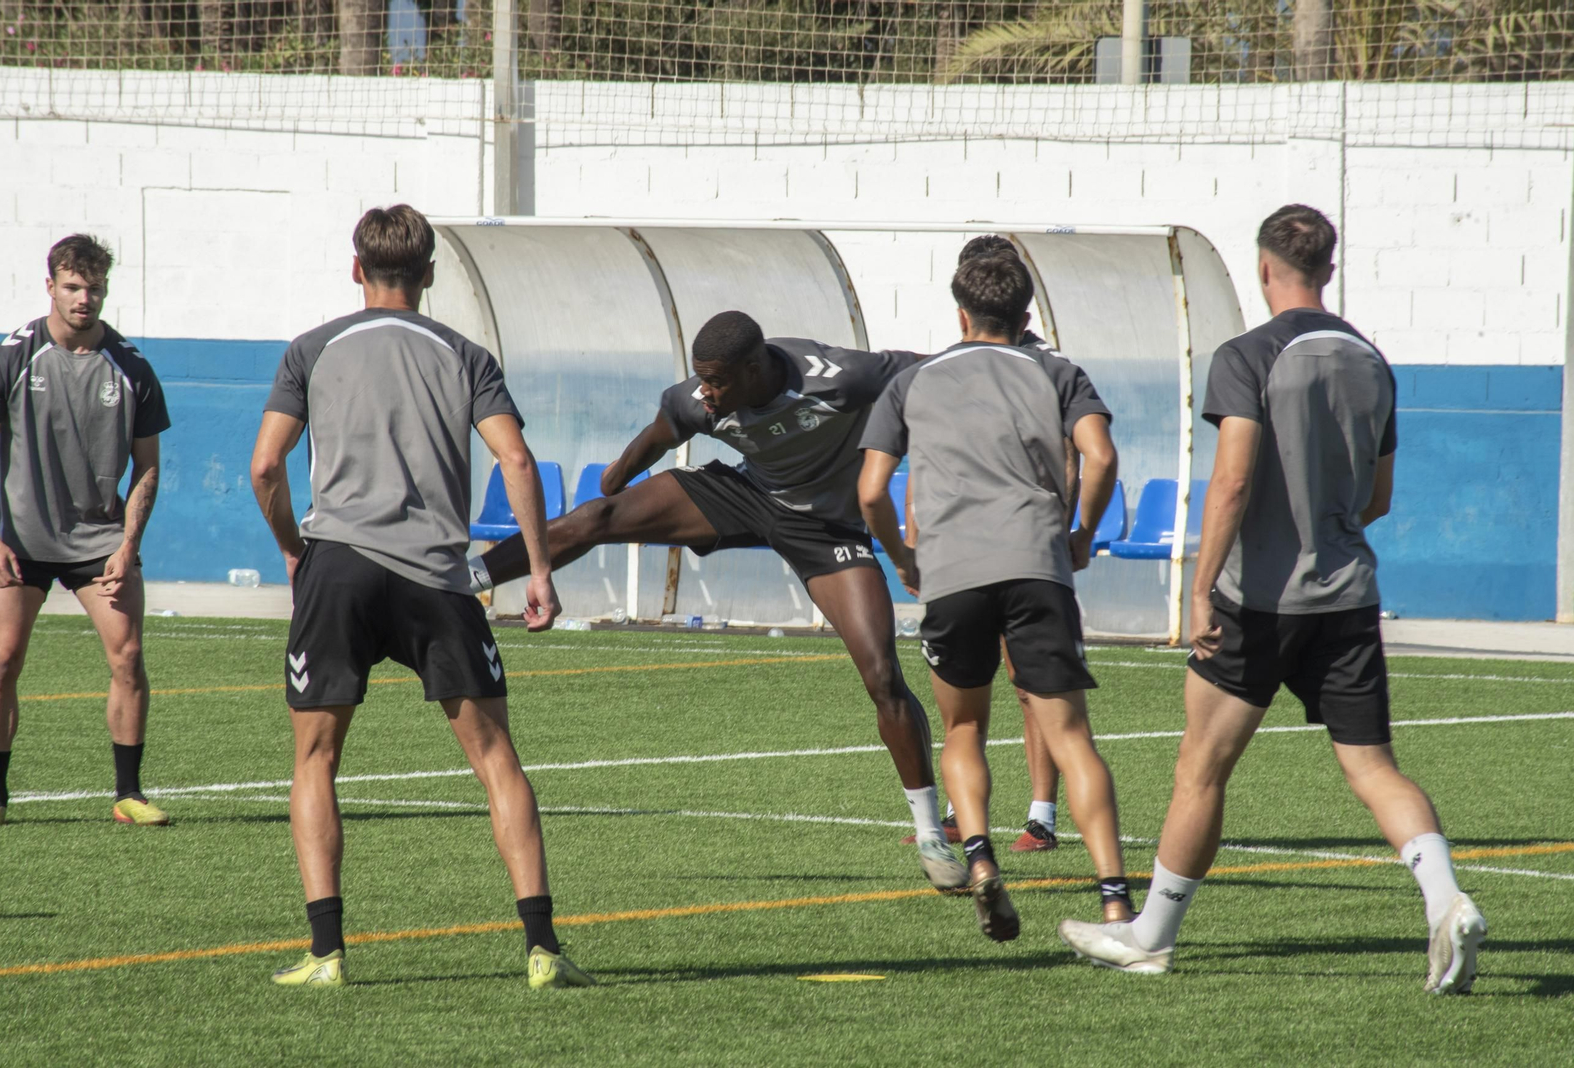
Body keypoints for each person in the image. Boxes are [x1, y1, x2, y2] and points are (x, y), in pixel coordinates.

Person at [1058, 204, 1486, 995]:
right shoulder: (1371, 358)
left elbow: (1231, 480)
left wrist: (1197, 589)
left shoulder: (1247, 354)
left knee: (1202, 768)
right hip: (1347, 594)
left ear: (1265, 270)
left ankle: (1151, 935)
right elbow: (1379, 496)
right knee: (1373, 767)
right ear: (1328, 267)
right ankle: (1445, 898)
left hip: (1255, 601)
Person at [469, 311, 968, 890]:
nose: (705, 392)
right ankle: (464, 579)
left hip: (828, 528)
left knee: (882, 675)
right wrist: (616, 480)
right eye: (699, 380)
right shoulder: (697, 401)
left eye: (717, 381)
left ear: (754, 369)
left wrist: (1001, 350)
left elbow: (937, 371)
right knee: (596, 517)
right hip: (746, 494)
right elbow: (656, 437)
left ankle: (932, 835)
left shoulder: (843, 379)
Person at [251, 205, 592, 989]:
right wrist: (537, 571)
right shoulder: (466, 353)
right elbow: (516, 459)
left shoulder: (312, 348)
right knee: (495, 758)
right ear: (430, 275)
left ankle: (326, 955)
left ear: (355, 270)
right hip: (437, 578)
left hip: (337, 567)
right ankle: (543, 949)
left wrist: (293, 549)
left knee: (315, 761)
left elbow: (267, 467)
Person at [859, 251, 1132, 942]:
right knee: (1071, 737)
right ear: (1027, 316)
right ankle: (1115, 904)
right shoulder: (1056, 370)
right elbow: (1099, 456)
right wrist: (1082, 532)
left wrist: (903, 557)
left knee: (963, 729)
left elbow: (869, 490)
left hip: (950, 573)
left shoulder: (914, 379)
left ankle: (979, 860)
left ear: (961, 313)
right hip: (1036, 563)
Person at [0, 234, 170, 828]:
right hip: (23, 543)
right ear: (50, 287)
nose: (85, 298)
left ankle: (128, 794)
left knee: (129, 657)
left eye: (94, 288)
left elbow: (149, 467)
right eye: (73, 287)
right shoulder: (9, 359)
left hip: (100, 543)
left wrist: (128, 546)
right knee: (3, 661)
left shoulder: (133, 367)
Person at [901, 234, 1073, 854]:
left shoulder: (1045, 365)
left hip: (1025, 544)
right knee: (964, 688)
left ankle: (1042, 814)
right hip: (959, 548)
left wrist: (1061, 530)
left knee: (1029, 683)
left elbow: (1073, 458)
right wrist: (915, 538)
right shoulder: (946, 365)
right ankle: (960, 811)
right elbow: (929, 458)